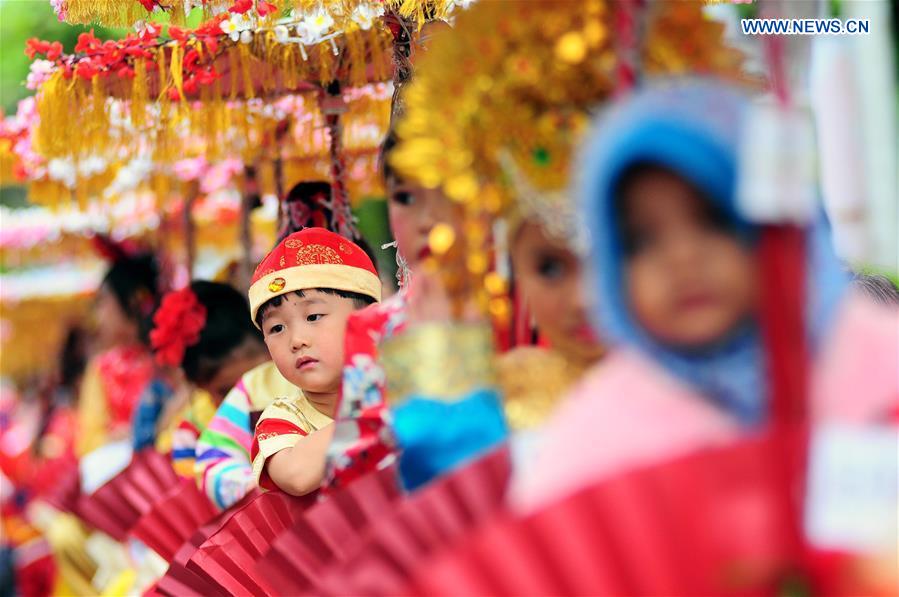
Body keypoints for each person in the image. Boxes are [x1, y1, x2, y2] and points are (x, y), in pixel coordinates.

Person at [511, 79, 898, 512]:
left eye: (715, 220)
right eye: (641, 241)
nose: (683, 259)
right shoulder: (595, 441)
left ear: (775, 223)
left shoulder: (878, 360)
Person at [248, 227, 381, 496]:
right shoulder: (282, 420)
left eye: (314, 317)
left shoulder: (405, 385)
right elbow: (297, 475)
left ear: (368, 319)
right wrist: (377, 414)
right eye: (276, 328)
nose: (297, 340)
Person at [149, 282, 270, 478]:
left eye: (261, 376)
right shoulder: (191, 438)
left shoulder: (309, 391)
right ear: (199, 387)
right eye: (227, 391)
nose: (243, 395)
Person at [76, 248, 159, 456]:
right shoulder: (103, 368)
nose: (99, 314)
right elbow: (87, 443)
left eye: (103, 301)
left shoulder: (166, 360)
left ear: (131, 302)